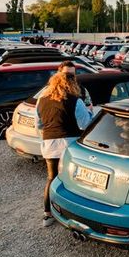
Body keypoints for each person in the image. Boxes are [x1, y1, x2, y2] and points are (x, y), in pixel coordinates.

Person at [35, 61, 94, 227]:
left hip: (49, 145)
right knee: (73, 182)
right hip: (70, 145)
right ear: (72, 83)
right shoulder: (75, 101)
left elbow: (38, 125)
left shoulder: (42, 100)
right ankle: (75, 214)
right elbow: (84, 125)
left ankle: (47, 214)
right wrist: (89, 112)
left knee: (51, 178)